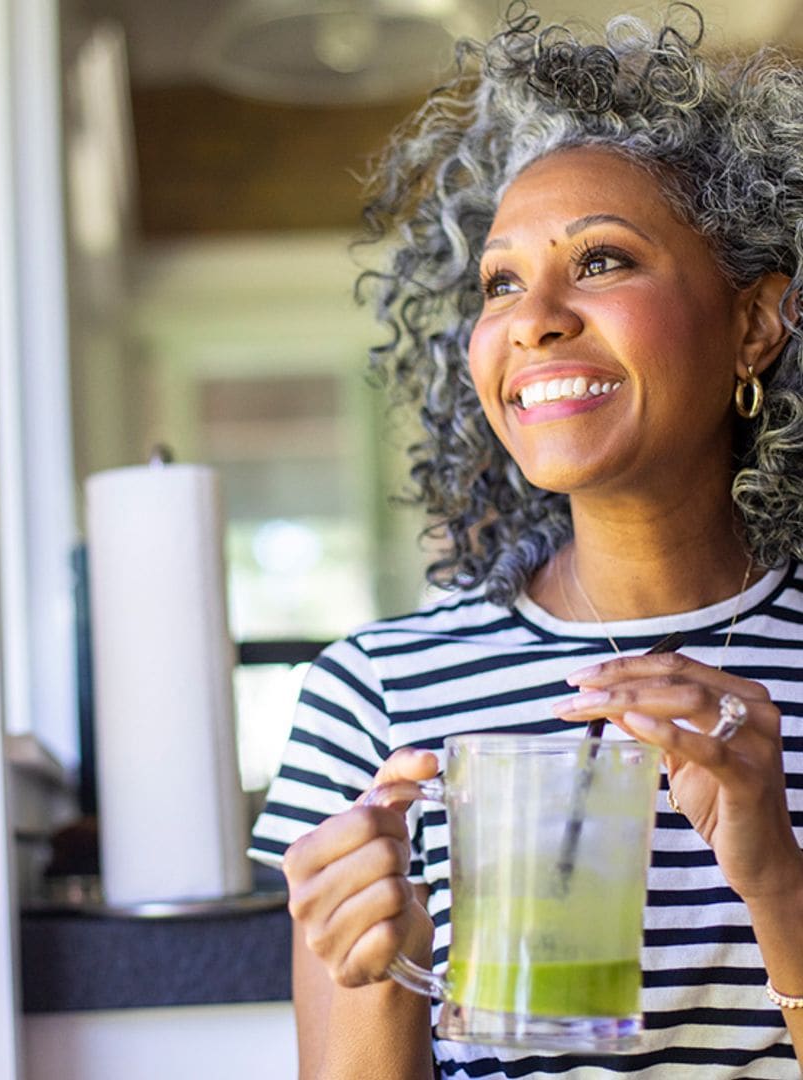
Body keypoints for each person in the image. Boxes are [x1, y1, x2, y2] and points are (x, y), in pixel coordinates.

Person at [247, 5, 803, 1077]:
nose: (533, 317)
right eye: (500, 282)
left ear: (754, 322)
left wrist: (778, 878)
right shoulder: (377, 695)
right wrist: (381, 976)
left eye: (600, 261)